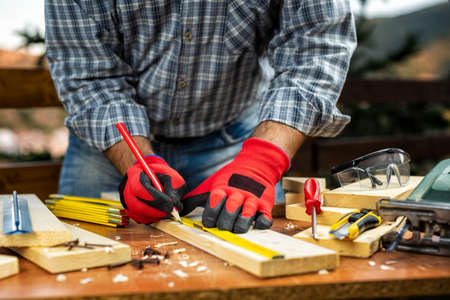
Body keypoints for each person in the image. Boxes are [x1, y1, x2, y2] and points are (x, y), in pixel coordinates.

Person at [45, 0, 356, 233]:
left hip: (237, 139)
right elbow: (90, 77)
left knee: (254, 262)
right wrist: (135, 161)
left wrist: (261, 163)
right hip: (109, 143)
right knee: (81, 254)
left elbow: (317, 45)